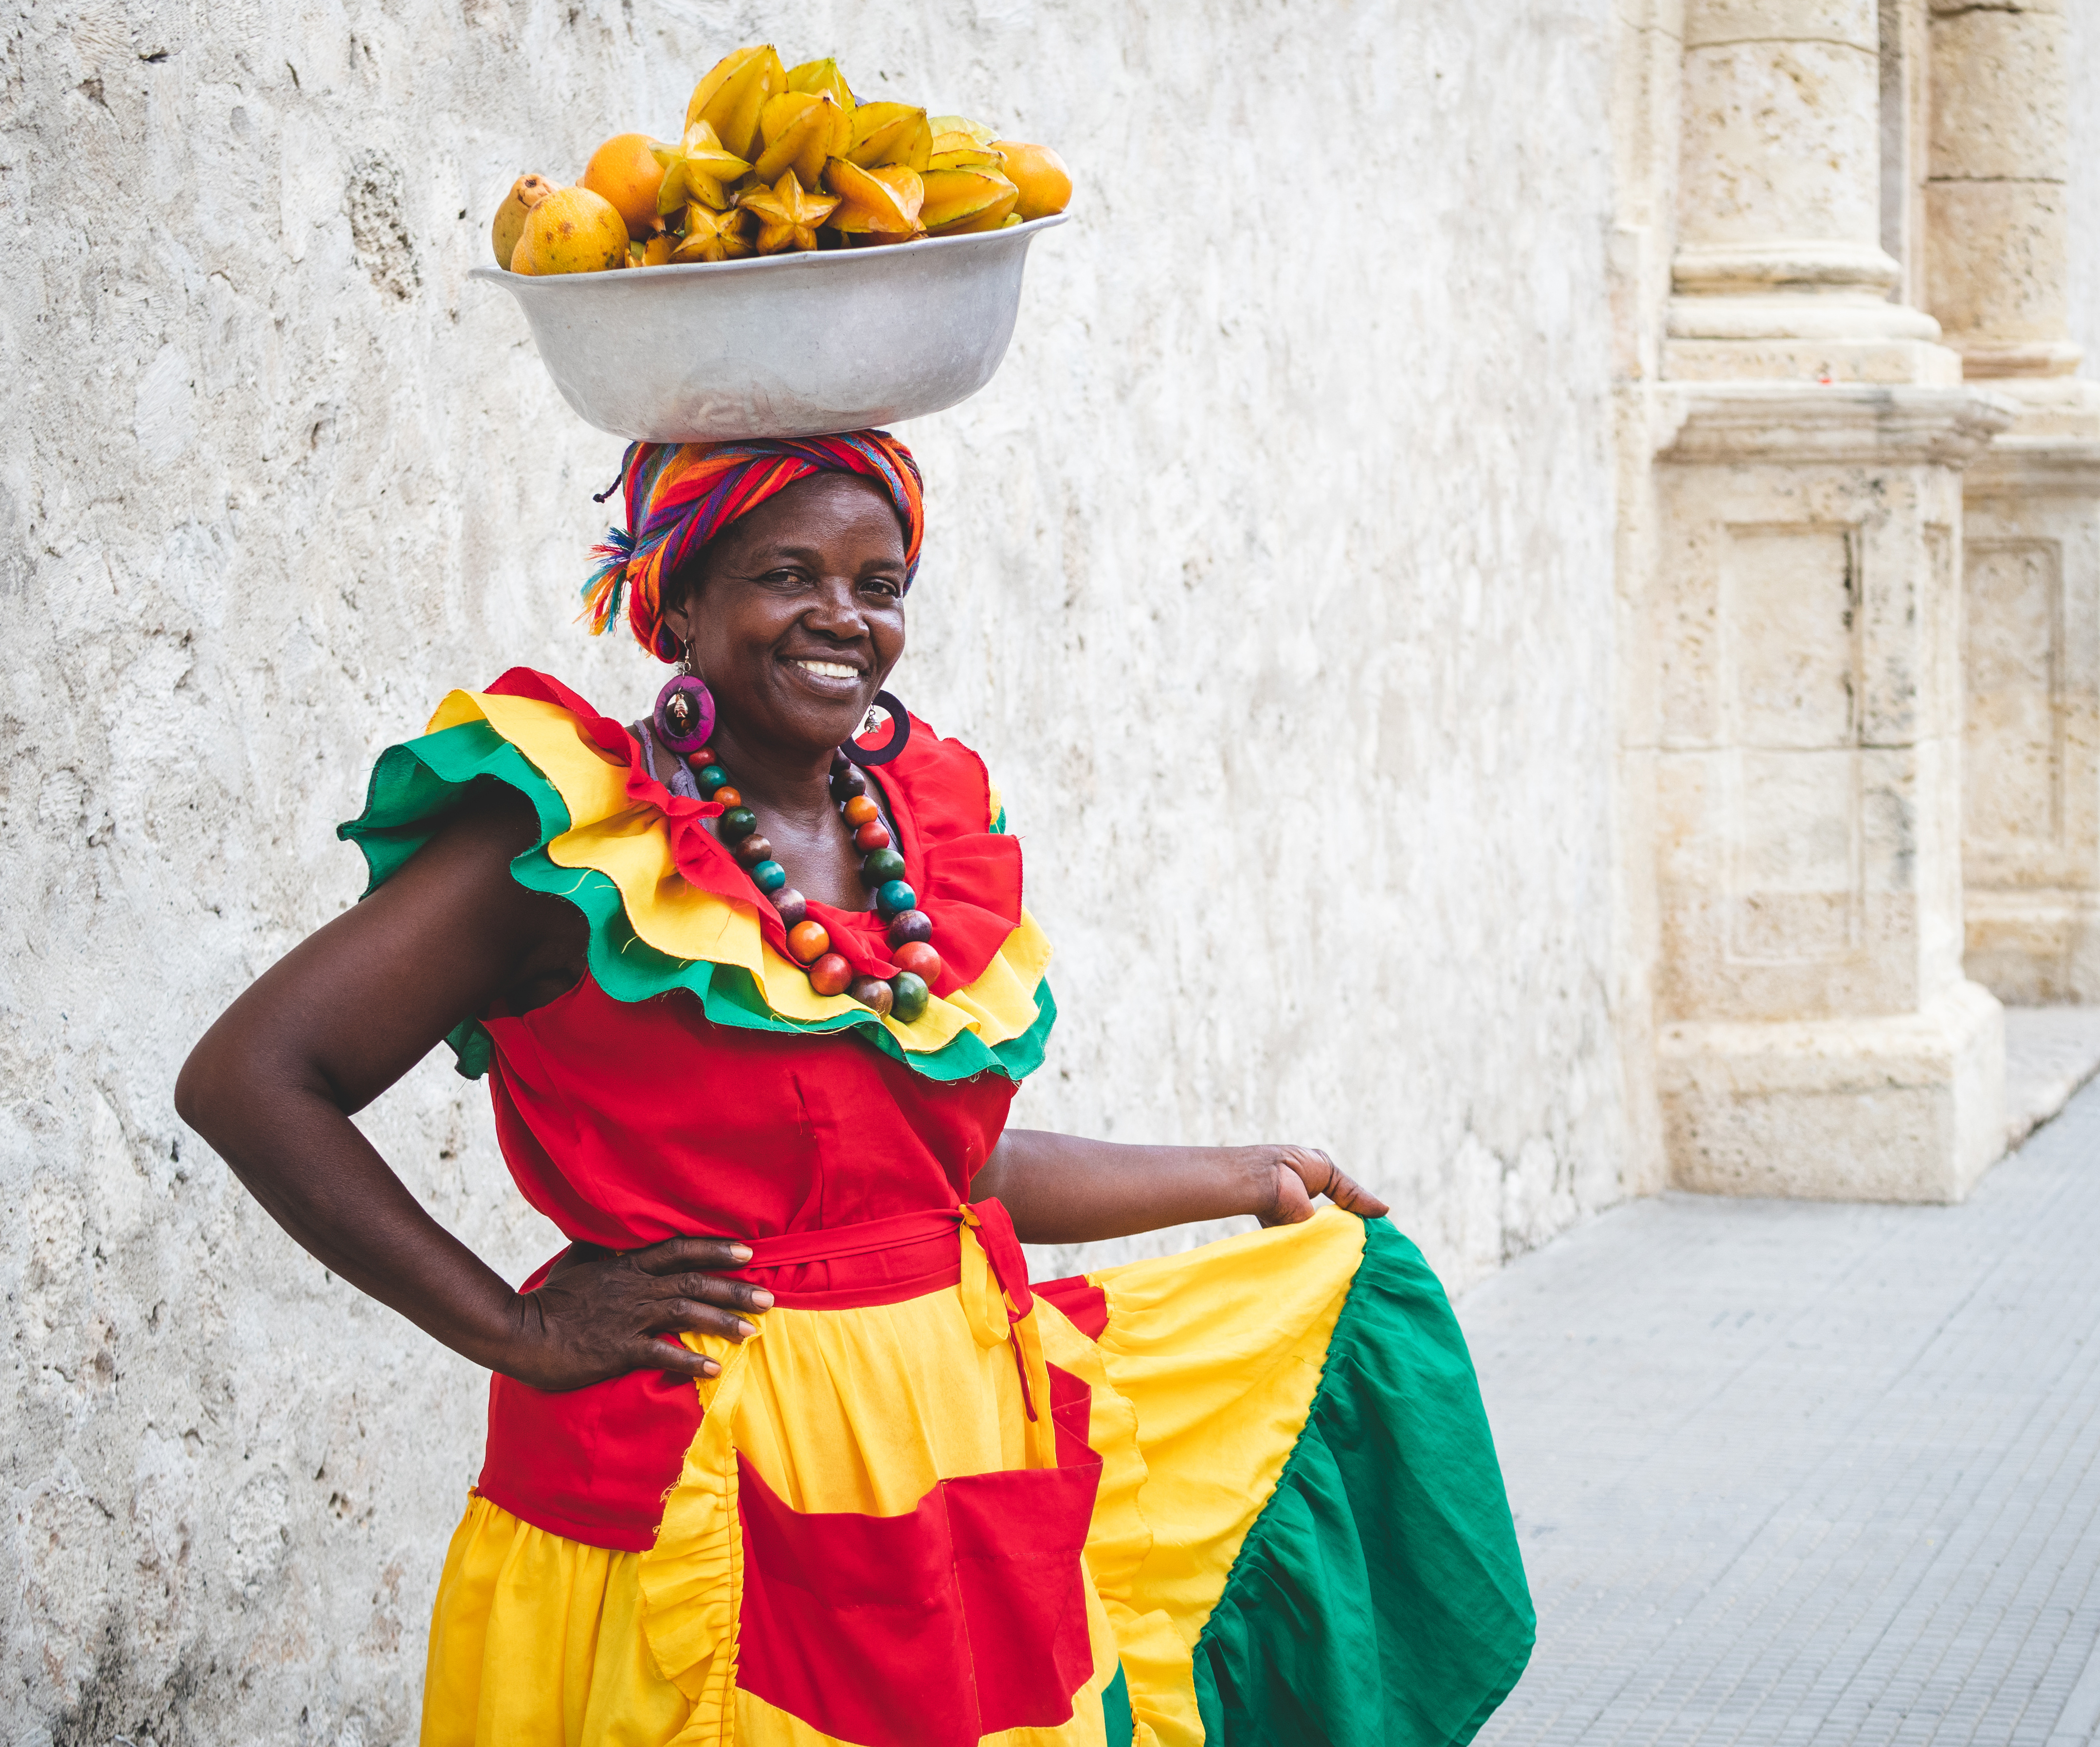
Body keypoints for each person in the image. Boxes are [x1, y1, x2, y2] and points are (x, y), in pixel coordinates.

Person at [178, 431, 1533, 1747]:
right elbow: (253, 1079)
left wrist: (1238, 1172)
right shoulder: (567, 841)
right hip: (694, 1467)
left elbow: (940, 1181)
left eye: (875, 585)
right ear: (678, 599)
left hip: (946, 1451)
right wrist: (511, 1332)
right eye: (783, 575)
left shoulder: (919, 839)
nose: (840, 616)